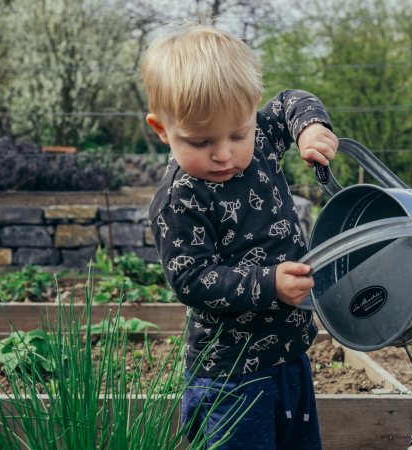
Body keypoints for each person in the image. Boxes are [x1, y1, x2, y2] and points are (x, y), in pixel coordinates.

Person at [142, 23, 338, 450]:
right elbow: (191, 278)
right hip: (230, 376)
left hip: (291, 357)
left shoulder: (263, 138)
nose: (224, 153)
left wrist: (309, 128)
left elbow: (291, 101)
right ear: (161, 129)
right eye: (200, 140)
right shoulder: (180, 198)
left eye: (238, 134)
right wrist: (268, 284)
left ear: (252, 114)